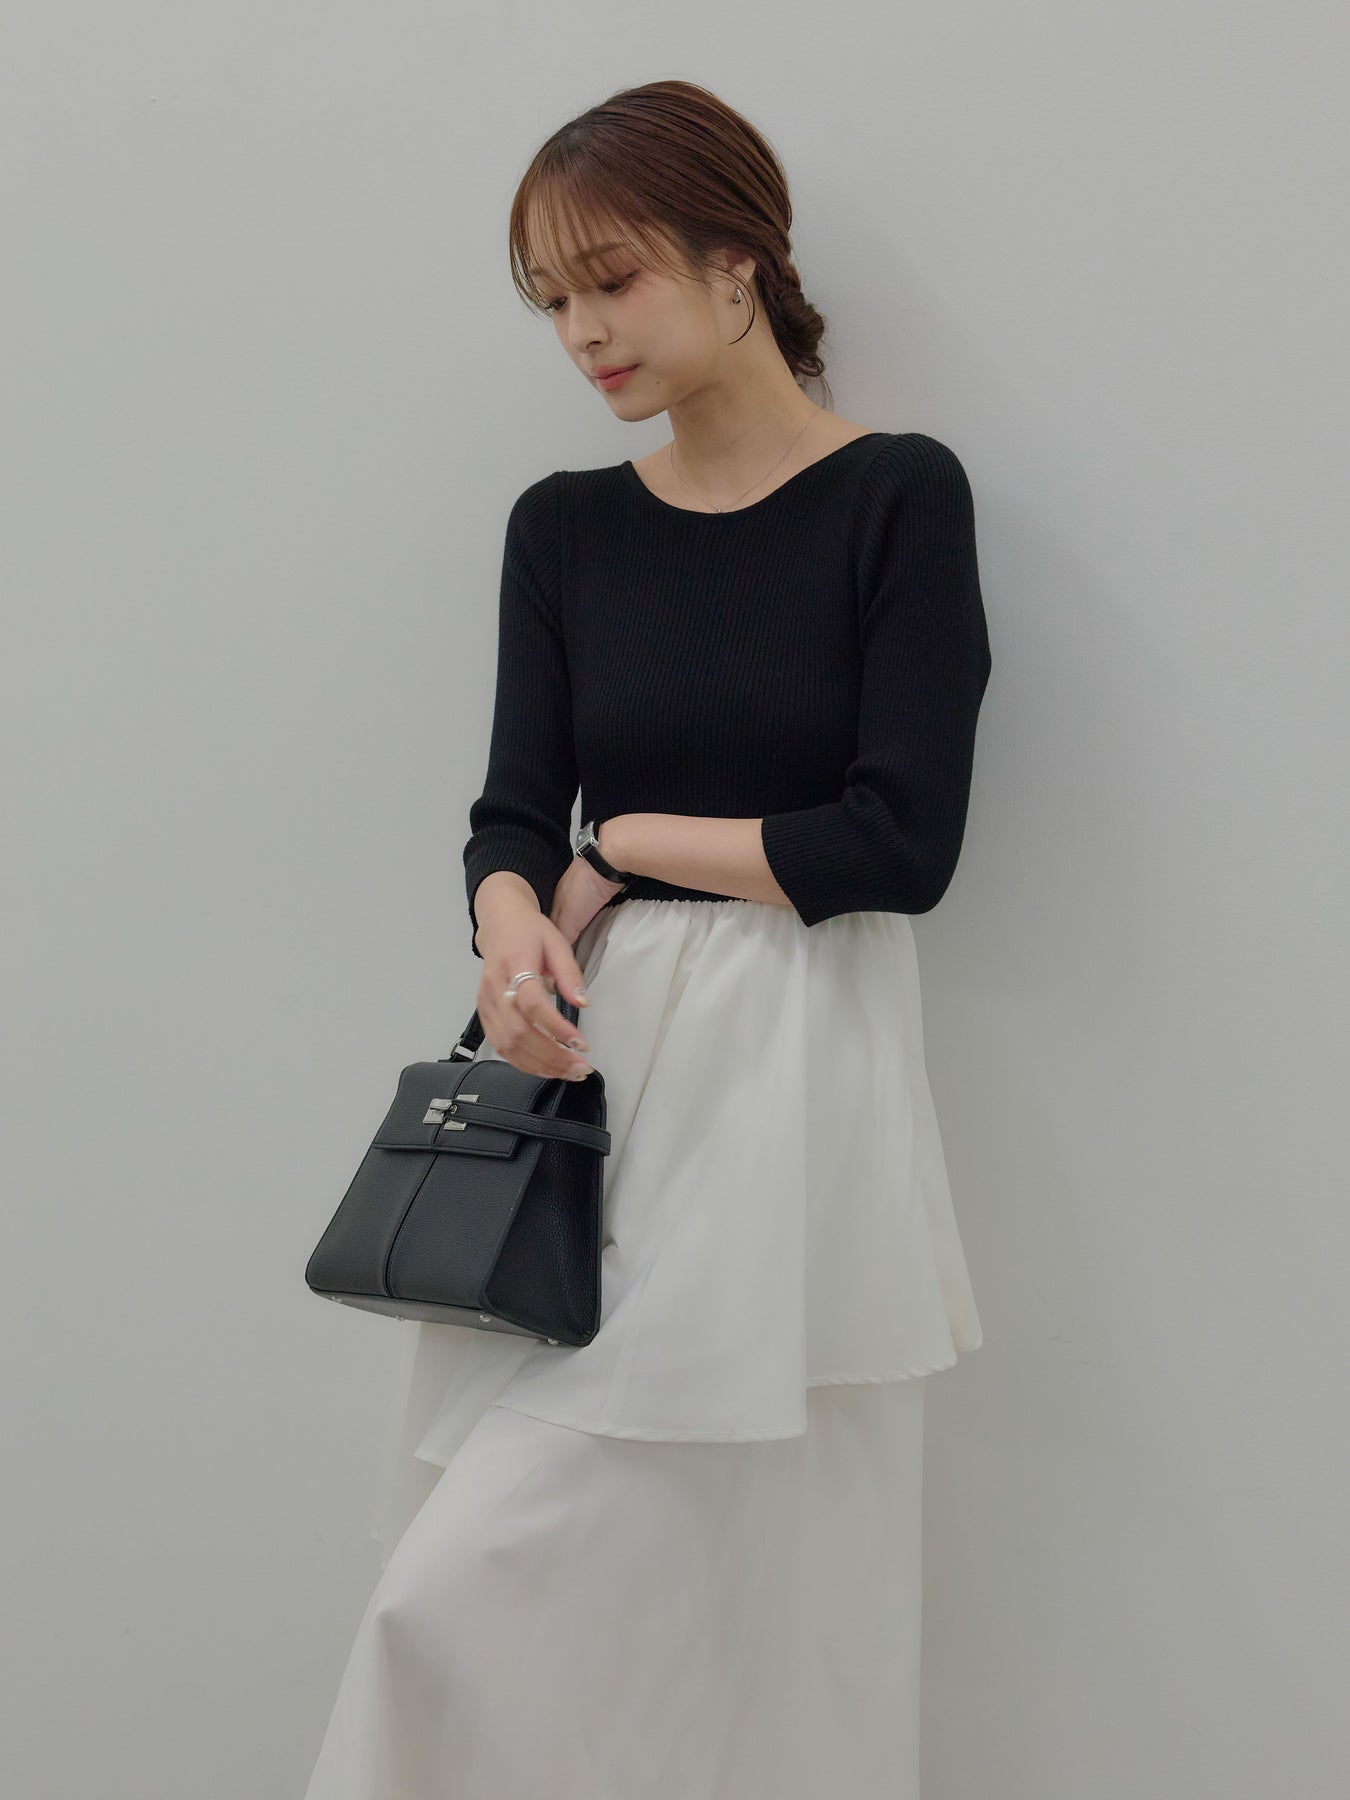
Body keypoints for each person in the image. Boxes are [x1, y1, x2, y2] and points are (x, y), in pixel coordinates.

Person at [304, 76, 992, 1800]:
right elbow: (508, 810)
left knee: (770, 1576)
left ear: (736, 258)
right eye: (550, 300)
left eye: (610, 280)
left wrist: (617, 847)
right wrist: (510, 925)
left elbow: (898, 844)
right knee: (477, 1585)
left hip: (791, 1063)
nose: (581, 333)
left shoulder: (894, 497)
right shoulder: (564, 526)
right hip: (591, 1066)